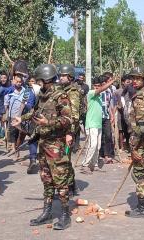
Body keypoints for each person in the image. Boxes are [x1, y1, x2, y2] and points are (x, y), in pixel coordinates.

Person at [12, 64, 73, 230]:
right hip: (43, 144)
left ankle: (65, 214)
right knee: (46, 180)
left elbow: (68, 120)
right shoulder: (43, 96)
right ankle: (47, 213)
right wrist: (21, 118)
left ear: (46, 80)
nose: (38, 83)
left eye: (39, 80)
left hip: (56, 146)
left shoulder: (61, 96)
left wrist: (49, 122)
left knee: (60, 181)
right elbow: (35, 112)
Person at [124, 66, 144, 218]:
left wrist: (133, 147)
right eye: (133, 78)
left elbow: (141, 127)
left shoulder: (140, 98)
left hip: (140, 141)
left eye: (138, 78)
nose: (134, 81)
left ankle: (142, 207)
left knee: (139, 174)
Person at [81, 76, 115, 172]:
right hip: (91, 124)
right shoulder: (91, 93)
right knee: (92, 144)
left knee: (98, 146)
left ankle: (94, 164)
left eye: (98, 86)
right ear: (93, 86)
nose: (97, 87)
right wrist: (111, 82)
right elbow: (102, 89)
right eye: (95, 86)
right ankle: (84, 165)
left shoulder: (100, 96)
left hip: (98, 123)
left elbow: (108, 104)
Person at [59, 64, 80, 194]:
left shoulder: (73, 92)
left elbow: (74, 115)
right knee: (62, 158)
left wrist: (70, 133)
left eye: (63, 75)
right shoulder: (62, 90)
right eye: (60, 75)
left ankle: (68, 186)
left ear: (70, 77)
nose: (61, 77)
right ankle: (69, 184)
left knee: (65, 159)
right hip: (60, 129)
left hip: (68, 131)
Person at [99, 74, 115, 164]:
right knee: (99, 137)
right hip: (98, 117)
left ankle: (107, 155)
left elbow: (110, 104)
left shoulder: (109, 92)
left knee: (108, 136)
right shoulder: (97, 92)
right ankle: (100, 154)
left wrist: (112, 115)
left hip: (107, 116)